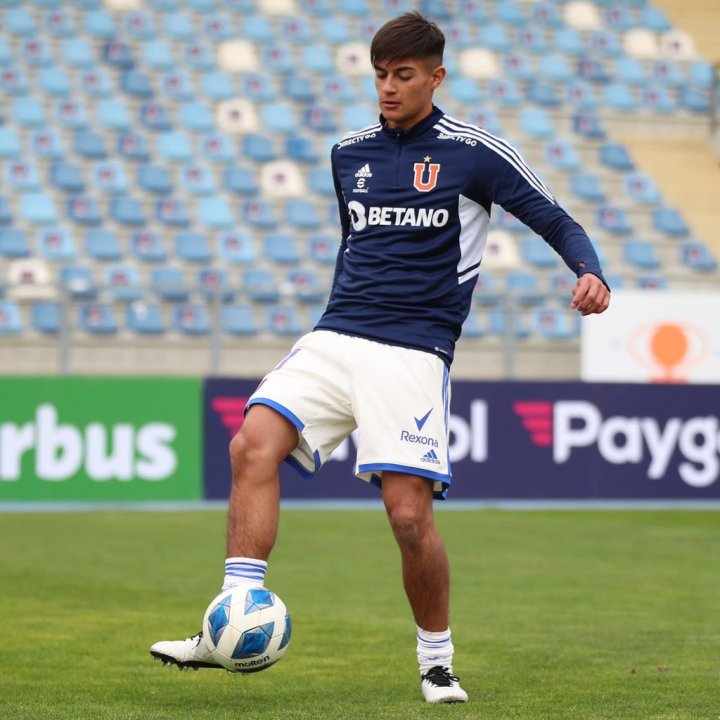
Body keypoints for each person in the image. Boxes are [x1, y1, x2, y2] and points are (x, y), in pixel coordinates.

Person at [150, 11, 611, 704]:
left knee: (407, 517)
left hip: (413, 349)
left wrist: (589, 269)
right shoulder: (349, 153)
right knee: (251, 446)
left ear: (436, 76)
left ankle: (436, 660)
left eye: (402, 76)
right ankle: (231, 621)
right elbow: (355, 244)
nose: (388, 89)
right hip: (337, 333)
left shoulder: (475, 152)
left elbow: (556, 216)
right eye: (380, 76)